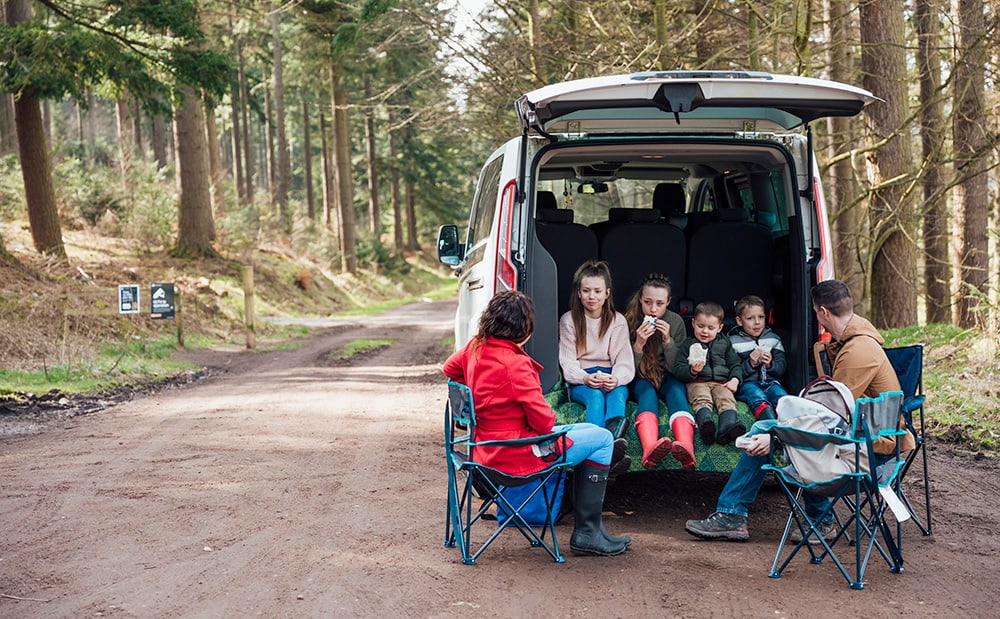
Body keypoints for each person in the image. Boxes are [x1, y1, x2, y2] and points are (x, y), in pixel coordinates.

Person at [684, 279, 913, 542]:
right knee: (766, 431)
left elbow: (827, 419)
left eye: (816, 312)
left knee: (770, 434)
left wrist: (778, 437)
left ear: (823, 312)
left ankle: (788, 518)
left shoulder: (858, 351)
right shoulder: (851, 343)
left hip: (871, 452)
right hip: (860, 437)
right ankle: (744, 515)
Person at [443, 290, 631, 556]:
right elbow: (543, 424)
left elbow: (449, 370)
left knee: (596, 432)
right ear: (525, 329)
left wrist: (476, 395)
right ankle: (588, 532)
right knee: (601, 441)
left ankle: (595, 518)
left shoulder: (475, 347)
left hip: (484, 447)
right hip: (516, 453)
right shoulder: (515, 364)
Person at [623, 273, 697, 470]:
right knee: (647, 393)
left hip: (667, 374)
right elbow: (627, 369)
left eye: (660, 303)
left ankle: (686, 447)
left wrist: (668, 341)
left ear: (668, 302)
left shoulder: (676, 322)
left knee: (676, 391)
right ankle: (649, 449)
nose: (653, 309)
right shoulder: (627, 321)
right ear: (640, 299)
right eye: (647, 302)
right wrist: (638, 344)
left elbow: (676, 368)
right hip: (640, 376)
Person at [558, 260, 635, 441]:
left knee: (617, 395)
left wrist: (616, 379)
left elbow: (624, 360)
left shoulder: (618, 320)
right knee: (595, 396)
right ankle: (596, 445)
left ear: (607, 293)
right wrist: (584, 378)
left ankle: (614, 444)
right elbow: (568, 362)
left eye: (597, 291)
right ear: (578, 292)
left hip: (611, 376)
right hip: (583, 379)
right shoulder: (569, 320)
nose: (591, 296)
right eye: (586, 291)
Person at [675, 301, 745, 446]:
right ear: (693, 323)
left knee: (726, 398)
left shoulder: (724, 343)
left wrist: (735, 380)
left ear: (720, 328)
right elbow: (678, 368)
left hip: (721, 382)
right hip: (697, 382)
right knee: (701, 397)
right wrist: (692, 371)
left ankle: (727, 428)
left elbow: (735, 364)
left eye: (711, 328)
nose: (705, 331)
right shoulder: (688, 344)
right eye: (700, 326)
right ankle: (706, 424)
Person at [730, 295, 788, 422]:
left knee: (781, 396)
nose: (757, 322)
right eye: (750, 318)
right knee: (756, 395)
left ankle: (788, 424)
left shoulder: (773, 339)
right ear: (740, 321)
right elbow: (733, 372)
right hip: (747, 384)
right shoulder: (733, 343)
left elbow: (781, 368)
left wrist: (770, 365)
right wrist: (750, 363)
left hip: (771, 382)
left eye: (761, 317)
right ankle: (769, 422)